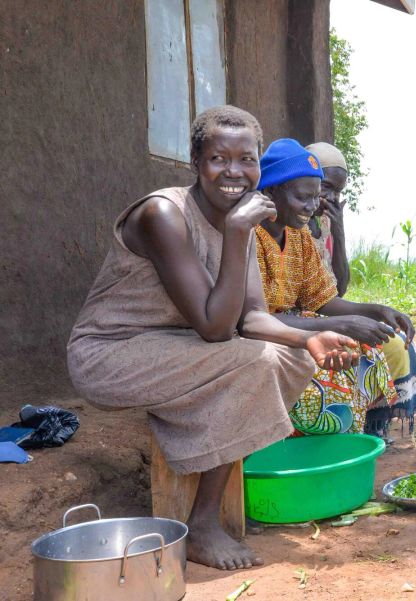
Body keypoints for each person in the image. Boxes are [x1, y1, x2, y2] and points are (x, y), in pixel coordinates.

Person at [67, 106, 357, 571]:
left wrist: (309, 340)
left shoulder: (236, 220)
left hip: (177, 348)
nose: (235, 172)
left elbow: (254, 318)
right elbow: (217, 327)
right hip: (111, 354)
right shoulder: (164, 214)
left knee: (290, 359)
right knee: (255, 361)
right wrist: (239, 231)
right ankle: (202, 525)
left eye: (247, 160)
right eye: (220, 159)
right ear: (195, 162)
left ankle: (200, 463)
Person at [254, 139, 416, 436]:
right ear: (272, 191)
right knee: (334, 375)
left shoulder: (296, 237)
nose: (313, 207)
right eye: (304, 198)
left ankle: (366, 435)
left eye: (316, 197)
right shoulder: (250, 236)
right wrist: (344, 323)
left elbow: (323, 297)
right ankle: (319, 451)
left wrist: (377, 311)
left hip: (301, 327)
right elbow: (255, 318)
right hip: (267, 339)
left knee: (374, 351)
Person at [304, 141, 416, 397]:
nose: (331, 198)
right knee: (380, 343)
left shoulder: (323, 223)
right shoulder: (292, 223)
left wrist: (338, 230)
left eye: (338, 192)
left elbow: (340, 288)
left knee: (388, 337)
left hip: (325, 309)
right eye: (327, 188)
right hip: (305, 319)